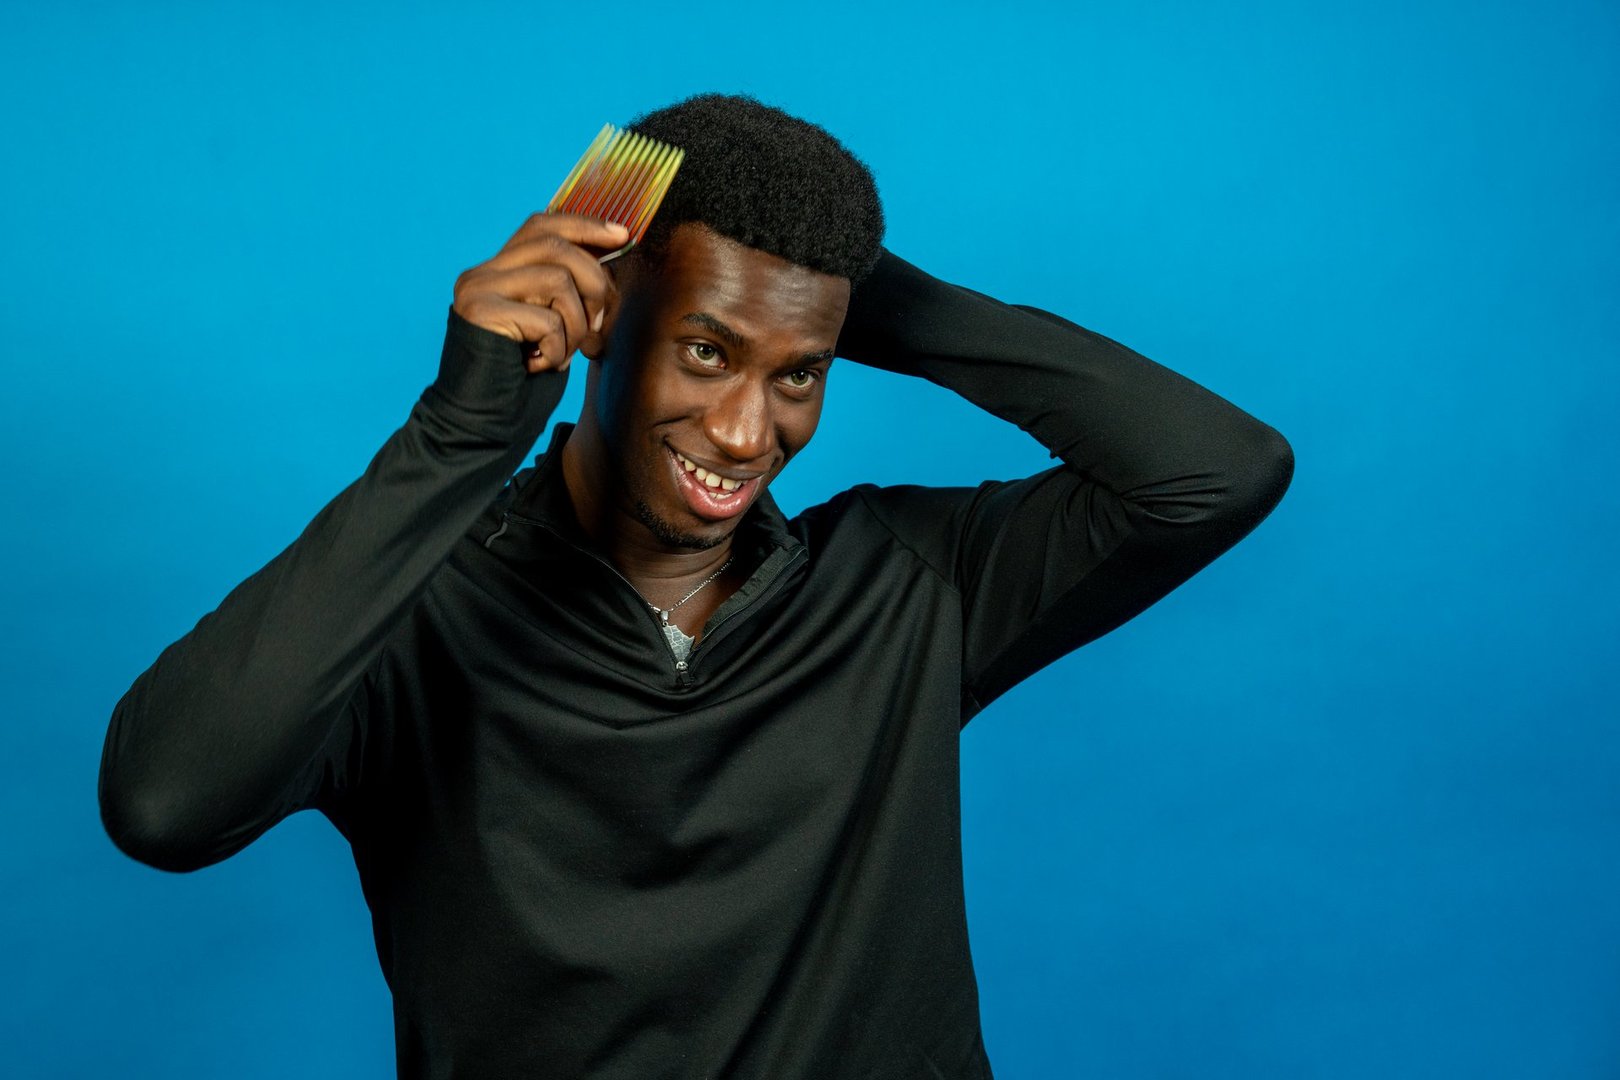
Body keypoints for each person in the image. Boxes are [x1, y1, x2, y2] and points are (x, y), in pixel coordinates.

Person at [99, 94, 1294, 1079]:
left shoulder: (909, 586)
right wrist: (457, 444)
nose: (742, 430)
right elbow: (164, 803)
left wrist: (856, 290)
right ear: (604, 316)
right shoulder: (416, 624)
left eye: (801, 375)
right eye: (708, 350)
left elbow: (1219, 472)